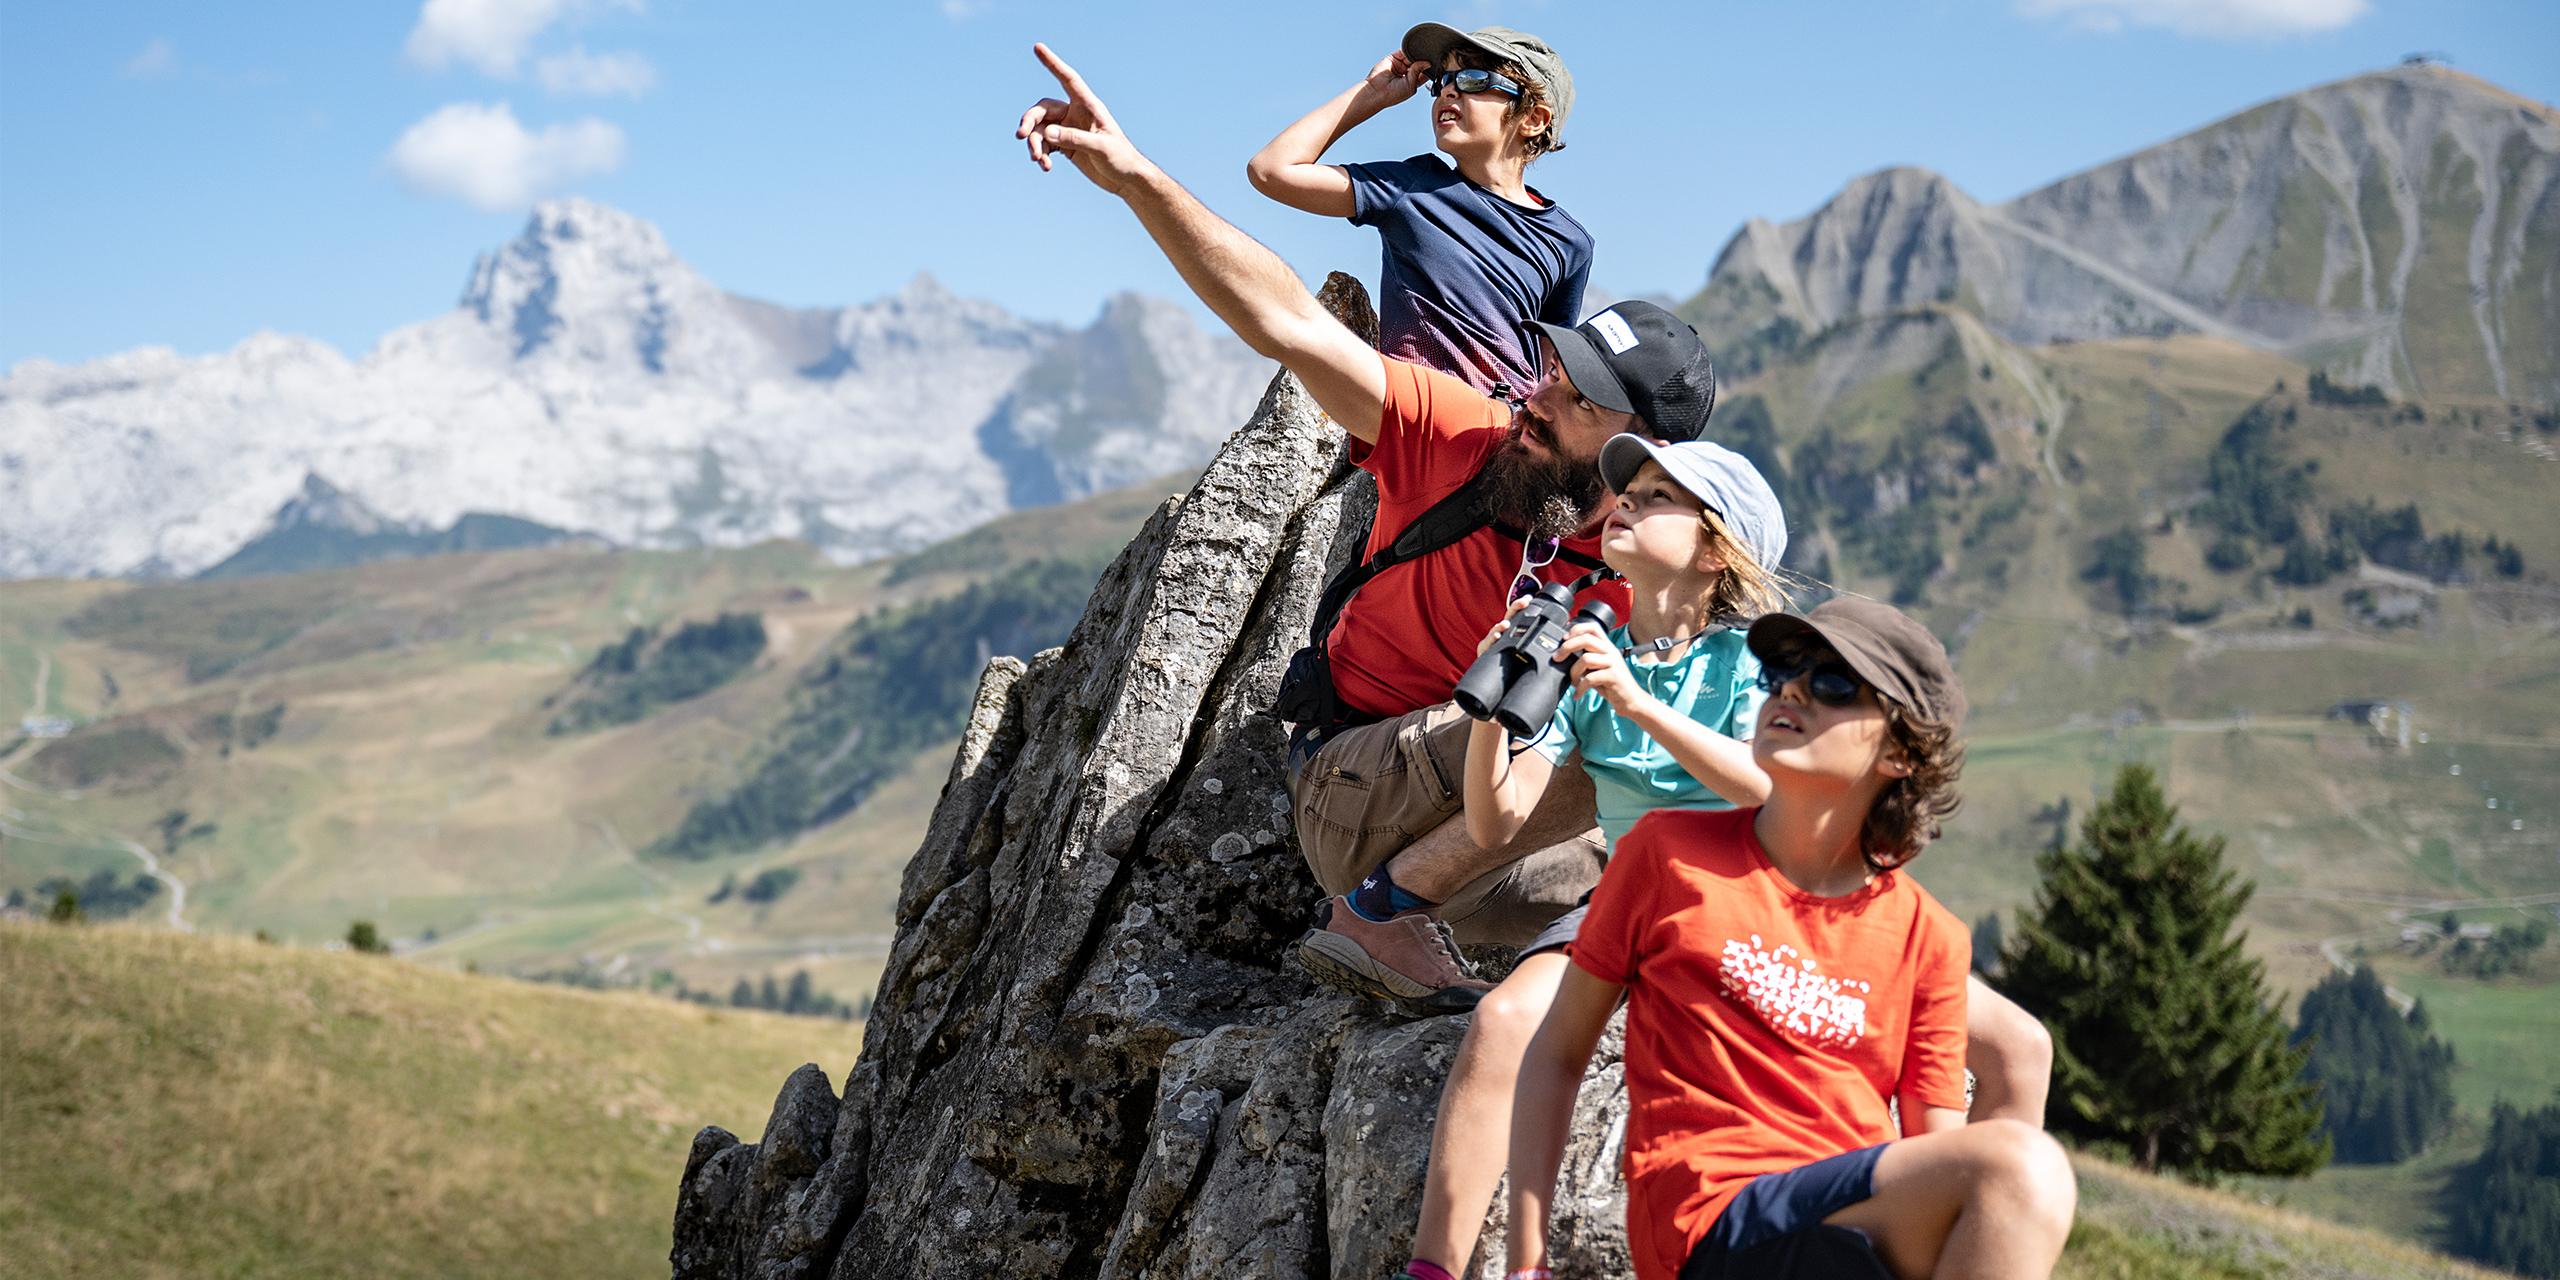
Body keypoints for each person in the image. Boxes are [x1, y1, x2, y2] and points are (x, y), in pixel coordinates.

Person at [1015, 40, 2051, 1123]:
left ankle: (1854, 1049)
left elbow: (1745, 769)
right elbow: (1284, 315)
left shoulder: (1653, 560)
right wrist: (1135, 178)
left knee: (1682, 840)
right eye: (1554, 362)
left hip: (1490, 830)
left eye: (1578, 390)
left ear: (1639, 442)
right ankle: (1373, 918)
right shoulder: (1470, 439)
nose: (1541, 386)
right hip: (1354, 781)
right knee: (1602, 729)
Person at [1504, 599, 2077, 1280]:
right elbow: (1557, 1054)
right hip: (1711, 1223)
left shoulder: (1931, 939)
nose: (1793, 689)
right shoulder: (1667, 854)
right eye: (1782, 671)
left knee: (2010, 1177)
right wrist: (1525, 1262)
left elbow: (1934, 1163)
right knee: (2025, 1165)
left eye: (1834, 682)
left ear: (1901, 752)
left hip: (1846, 1228)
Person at [1398, 435, 1787, 1280]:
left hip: (1742, 899)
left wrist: (1635, 702)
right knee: (1501, 1022)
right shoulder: (1587, 666)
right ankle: (1434, 1270)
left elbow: (1767, 788)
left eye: (1657, 497)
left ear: (1716, 548)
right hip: (1629, 901)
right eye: (1628, 492)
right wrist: (1489, 708)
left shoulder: (1752, 657)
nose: (1627, 506)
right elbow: (1497, 824)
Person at [1246, 24, 1591, 394]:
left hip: (1505, 431)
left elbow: (1548, 374)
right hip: (1420, 419)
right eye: (1442, 80)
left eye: (1474, 78)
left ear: (1533, 119)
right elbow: (1272, 171)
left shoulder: (1570, 242)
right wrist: (1372, 93)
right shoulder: (1410, 188)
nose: (1448, 89)